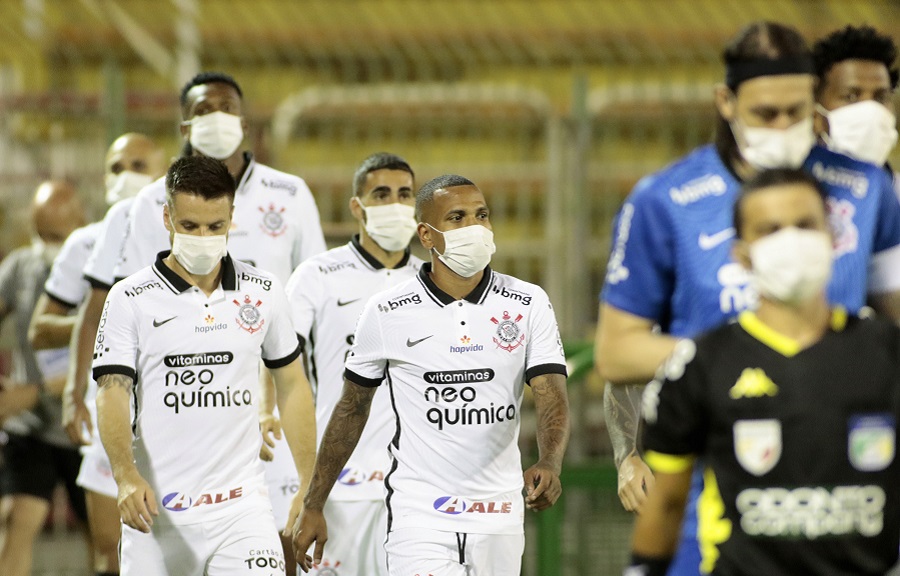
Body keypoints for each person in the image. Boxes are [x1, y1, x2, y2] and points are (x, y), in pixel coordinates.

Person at [595, 21, 900, 576]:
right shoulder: (665, 201)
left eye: (797, 110)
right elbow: (616, 350)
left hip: (848, 497)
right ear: (727, 102)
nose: (783, 128)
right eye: (765, 114)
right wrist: (737, 361)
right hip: (719, 493)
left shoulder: (868, 190)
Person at [67, 72, 327, 572]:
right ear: (166, 220)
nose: (204, 236)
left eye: (215, 226)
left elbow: (293, 384)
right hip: (158, 511)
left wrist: (310, 488)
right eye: (189, 226)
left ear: (233, 219)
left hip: (243, 509)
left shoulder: (263, 292)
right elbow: (113, 390)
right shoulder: (130, 298)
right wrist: (124, 476)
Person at [293, 174, 570, 575]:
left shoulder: (528, 302)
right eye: (457, 218)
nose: (474, 227)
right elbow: (352, 409)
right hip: (419, 514)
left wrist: (550, 461)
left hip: (500, 513)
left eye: (481, 215)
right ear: (426, 234)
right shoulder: (386, 310)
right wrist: (314, 503)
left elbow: (550, 394)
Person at [628, 168, 900, 576]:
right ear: (741, 253)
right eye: (770, 230)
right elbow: (666, 504)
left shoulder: (887, 351)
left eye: (805, 225)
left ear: (833, 235)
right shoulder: (700, 364)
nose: (790, 241)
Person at [30, 133, 165, 576]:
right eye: (116, 167)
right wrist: (115, 324)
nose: (126, 176)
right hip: (110, 406)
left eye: (139, 166)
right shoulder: (86, 242)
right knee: (111, 551)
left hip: (179, 409)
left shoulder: (190, 230)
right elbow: (41, 329)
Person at [284, 152, 422, 575]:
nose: (395, 204)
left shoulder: (433, 281)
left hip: (417, 489)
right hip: (340, 486)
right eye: (382, 194)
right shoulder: (317, 276)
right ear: (357, 207)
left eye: (405, 194)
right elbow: (277, 364)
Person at [0, 181, 88, 576]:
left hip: (83, 428)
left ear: (80, 224)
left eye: (55, 237)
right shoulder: (22, 267)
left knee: (106, 540)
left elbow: (95, 352)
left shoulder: (98, 275)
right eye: (40, 235)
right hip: (31, 430)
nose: (46, 245)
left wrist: (30, 394)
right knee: (16, 520)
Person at [813, 25, 898, 170]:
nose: (870, 110)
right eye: (850, 97)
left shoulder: (895, 190)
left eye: (880, 98)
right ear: (815, 111)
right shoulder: (784, 188)